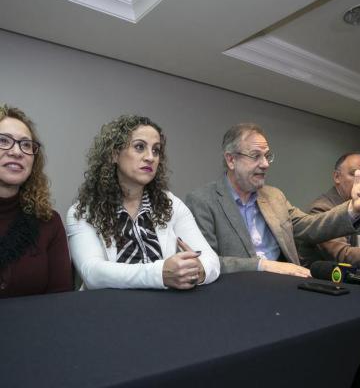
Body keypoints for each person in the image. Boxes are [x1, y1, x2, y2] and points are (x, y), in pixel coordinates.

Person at [186, 123, 360, 276]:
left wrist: (353, 209)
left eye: (267, 156)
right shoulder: (202, 201)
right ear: (231, 160)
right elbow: (205, 261)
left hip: (288, 285)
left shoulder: (274, 196)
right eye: (255, 156)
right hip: (238, 292)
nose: (264, 164)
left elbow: (310, 226)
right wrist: (264, 266)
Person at [66, 115, 220, 290]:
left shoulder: (170, 203)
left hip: (167, 308)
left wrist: (197, 270)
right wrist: (160, 273)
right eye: (140, 147)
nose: (150, 157)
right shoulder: (83, 212)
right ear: (114, 154)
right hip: (111, 310)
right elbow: (92, 273)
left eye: (156, 150)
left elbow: (211, 259)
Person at [0, 105, 73, 297]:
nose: (17, 152)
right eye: (3, 141)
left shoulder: (49, 222)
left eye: (25, 145)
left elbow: (60, 300)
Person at [298, 152, 360, 269]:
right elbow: (344, 255)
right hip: (331, 281)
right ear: (337, 177)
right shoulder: (321, 208)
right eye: (354, 174)